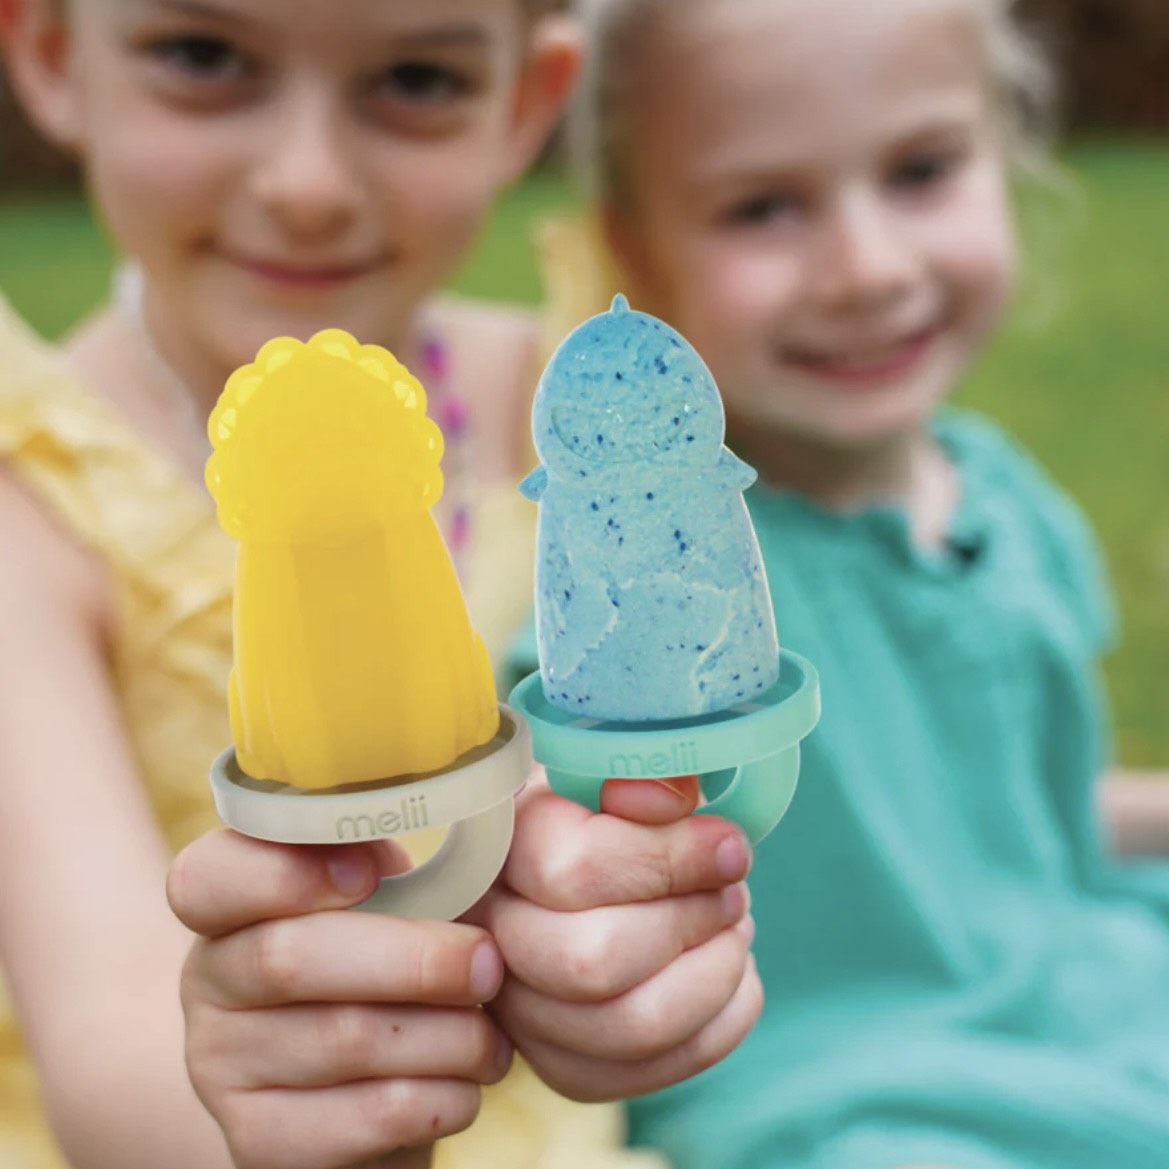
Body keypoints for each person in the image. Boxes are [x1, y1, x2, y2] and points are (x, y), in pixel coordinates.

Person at [0, 1, 726, 1166]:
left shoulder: (559, 403)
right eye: (203, 57)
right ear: (49, 57)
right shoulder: (31, 513)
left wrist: (640, 942)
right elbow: (112, 1048)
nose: (307, 183)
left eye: (417, 80)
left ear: (525, 103)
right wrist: (258, 1108)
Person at [502, 0, 1169, 1166]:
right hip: (840, 1096)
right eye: (762, 207)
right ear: (637, 249)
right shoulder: (660, 596)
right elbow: (545, 820)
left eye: (920, 170)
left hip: (1087, 1003)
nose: (864, 268)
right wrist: (545, 889)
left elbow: (1014, 823)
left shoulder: (1007, 504)